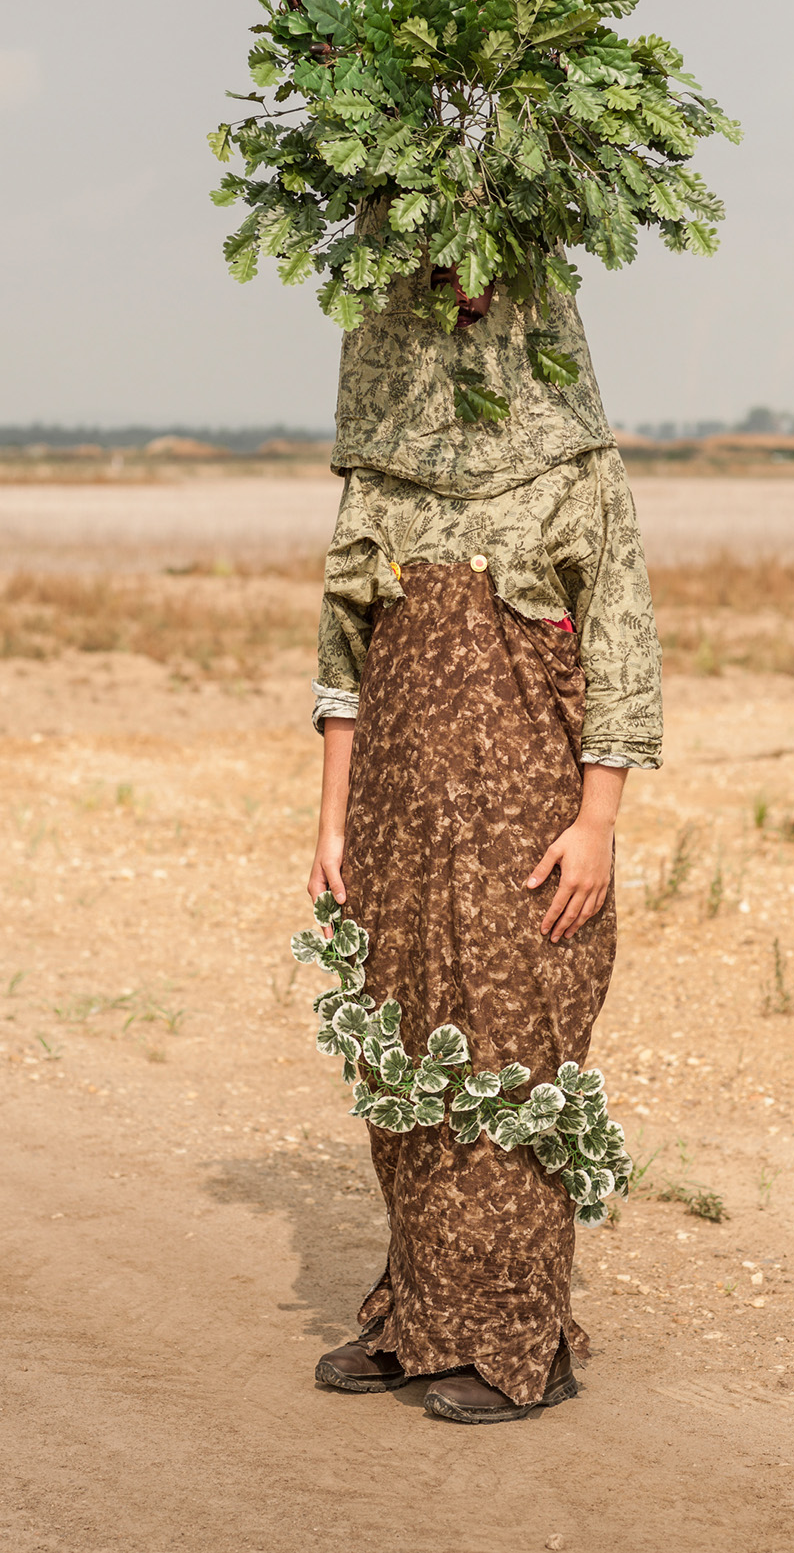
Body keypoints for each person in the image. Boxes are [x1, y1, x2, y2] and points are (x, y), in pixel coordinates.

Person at [305, 260, 662, 1423]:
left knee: (509, 1057)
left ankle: (518, 1343)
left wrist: (596, 823)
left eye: (487, 280)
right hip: (398, 817)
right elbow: (343, 664)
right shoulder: (380, 481)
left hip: (526, 827)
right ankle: (418, 1320)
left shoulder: (577, 471)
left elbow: (619, 652)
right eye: (438, 281)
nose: (463, 303)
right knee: (405, 1058)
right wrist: (330, 823)